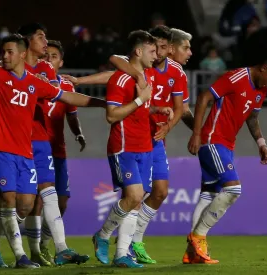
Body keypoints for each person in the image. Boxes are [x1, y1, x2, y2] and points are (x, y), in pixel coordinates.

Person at [0, 12, 104, 268]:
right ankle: (21, 256)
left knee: (26, 206)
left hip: (26, 151)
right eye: (3, 52)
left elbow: (68, 97)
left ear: (20, 53)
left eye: (8, 52)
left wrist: (104, 104)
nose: (4, 56)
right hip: (1, 149)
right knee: (9, 200)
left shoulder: (34, 82)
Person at [185, 53, 267, 264]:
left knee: (209, 195)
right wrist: (196, 133)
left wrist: (261, 143)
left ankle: (192, 253)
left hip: (226, 145)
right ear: (264, 68)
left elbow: (252, 117)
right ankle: (197, 236)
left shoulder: (261, 89)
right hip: (213, 140)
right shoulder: (237, 77)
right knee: (233, 189)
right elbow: (205, 97)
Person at [92, 30, 173, 268]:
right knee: (134, 197)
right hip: (124, 146)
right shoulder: (120, 79)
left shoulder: (145, 77)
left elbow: (139, 110)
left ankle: (122, 255)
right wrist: (139, 100)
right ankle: (103, 235)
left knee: (136, 202)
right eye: (151, 50)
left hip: (145, 146)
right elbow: (111, 115)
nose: (156, 54)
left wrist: (155, 108)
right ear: (138, 51)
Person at [15, 22, 90, 266]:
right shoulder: (14, 64)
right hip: (16, 142)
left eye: (54, 54)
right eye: (41, 38)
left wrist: (98, 105)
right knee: (19, 202)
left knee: (52, 196)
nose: (46, 46)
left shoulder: (47, 71)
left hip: (46, 143)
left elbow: (66, 104)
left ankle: (56, 248)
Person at [38, 40, 87, 263]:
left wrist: (78, 133)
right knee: (36, 201)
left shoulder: (67, 87)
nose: (49, 58)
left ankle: (45, 244)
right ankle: (45, 247)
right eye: (46, 54)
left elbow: (71, 114)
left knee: (63, 200)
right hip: (36, 147)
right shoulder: (34, 81)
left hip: (57, 149)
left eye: (54, 56)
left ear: (61, 62)